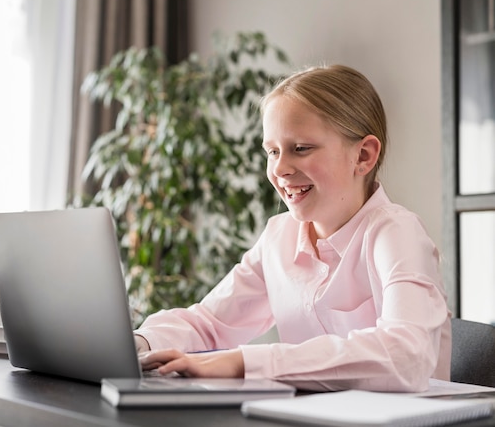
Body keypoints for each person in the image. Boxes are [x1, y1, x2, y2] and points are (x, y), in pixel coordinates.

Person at [134, 64, 451, 392]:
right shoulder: (279, 237)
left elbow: (406, 356)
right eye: (272, 151)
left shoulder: (396, 233)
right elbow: (210, 323)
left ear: (364, 155)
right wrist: (141, 344)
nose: (280, 168)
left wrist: (245, 363)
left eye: (301, 148)